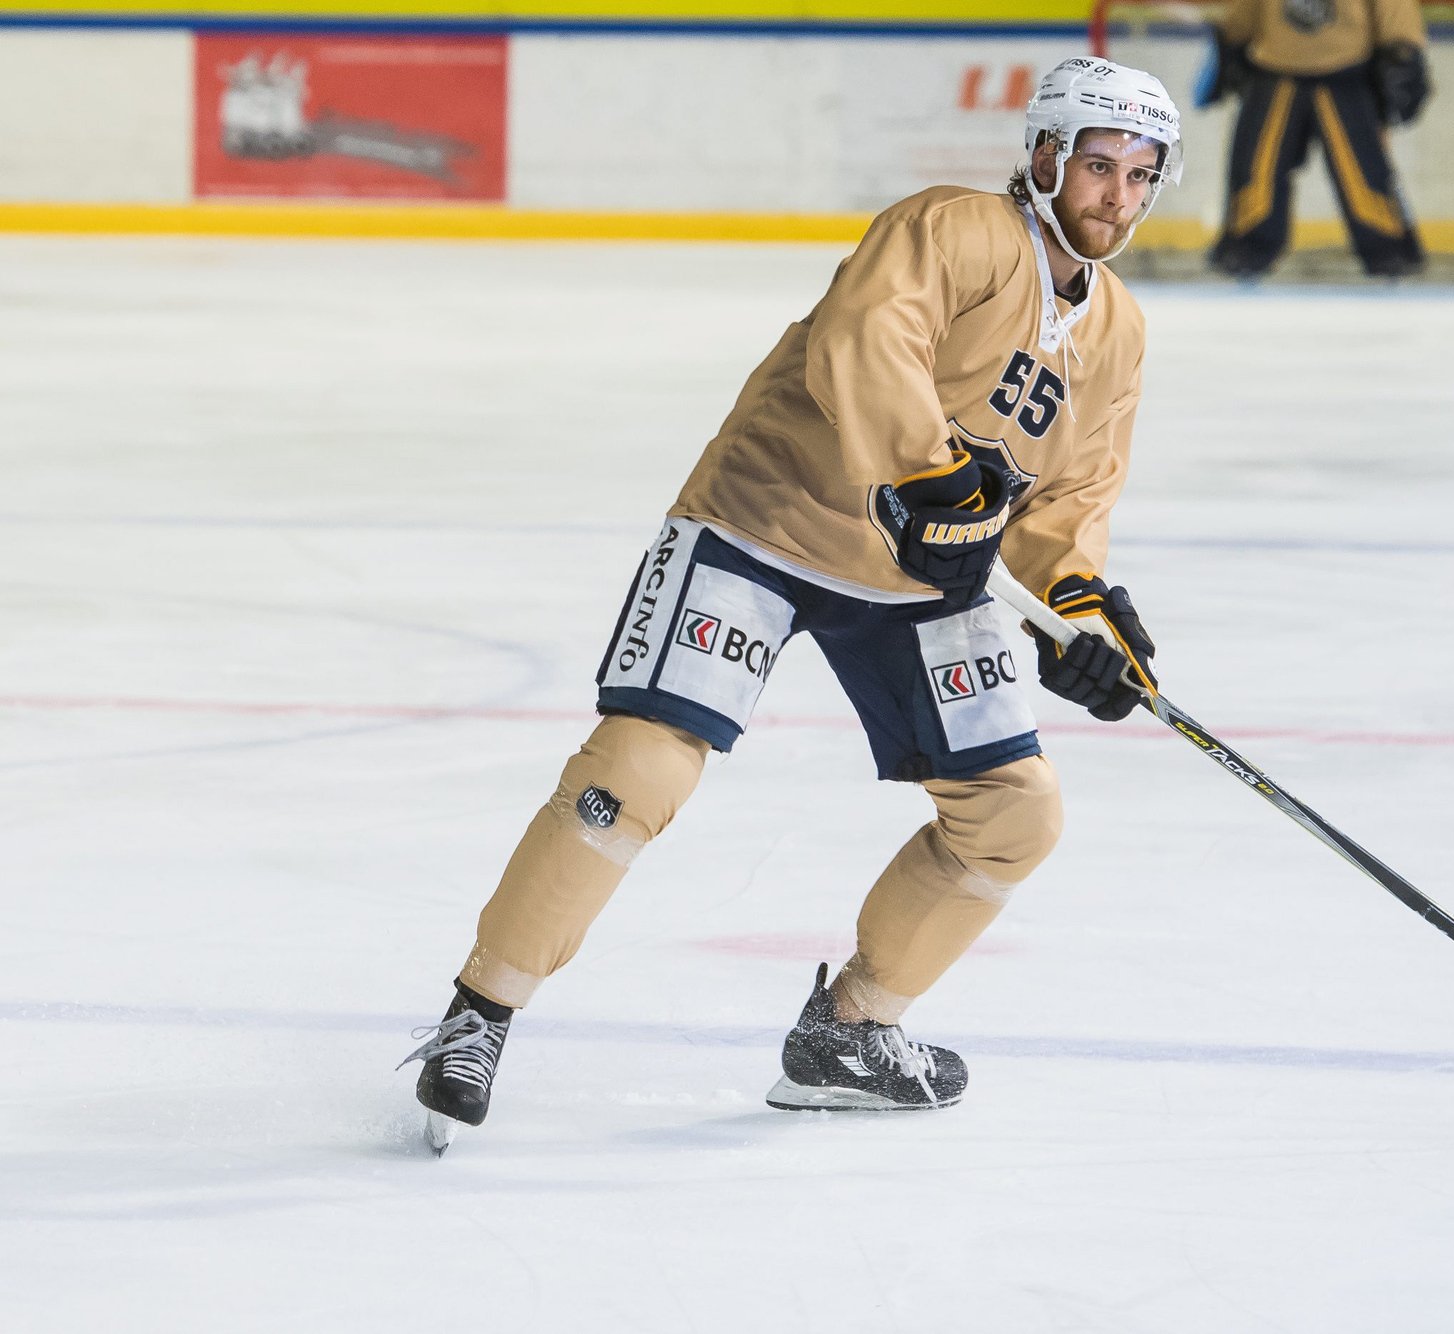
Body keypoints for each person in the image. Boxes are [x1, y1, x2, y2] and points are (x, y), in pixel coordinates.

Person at [401, 56, 1182, 1152]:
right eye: (1098, 166)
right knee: (641, 765)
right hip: (767, 519)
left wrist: (1081, 622)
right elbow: (868, 341)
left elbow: (1070, 501)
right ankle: (478, 1013)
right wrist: (923, 475)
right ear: (1046, 156)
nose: (1115, 195)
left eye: (1138, 175)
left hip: (920, 571)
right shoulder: (950, 228)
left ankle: (850, 1033)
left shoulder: (1120, 332)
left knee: (1015, 813)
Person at [1200, 0, 1431, 279]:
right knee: (1256, 172)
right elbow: (1244, 14)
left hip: (1346, 73)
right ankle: (1247, 247)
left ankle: (1388, 249)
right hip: (1276, 70)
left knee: (1364, 173)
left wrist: (1402, 48)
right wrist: (1231, 41)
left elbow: (1395, 12)